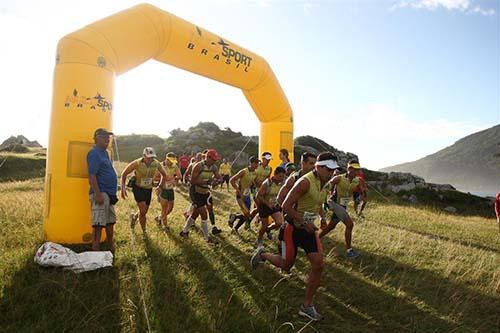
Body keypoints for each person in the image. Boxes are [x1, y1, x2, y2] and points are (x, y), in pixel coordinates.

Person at [250, 152, 338, 321]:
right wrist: (304, 222)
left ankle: (306, 306)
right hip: (292, 228)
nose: (331, 173)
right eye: (328, 169)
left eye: (333, 170)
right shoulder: (304, 182)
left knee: (318, 265)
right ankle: (262, 254)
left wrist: (322, 218)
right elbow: (285, 205)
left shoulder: (325, 183)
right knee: (286, 265)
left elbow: (317, 202)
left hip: (308, 231)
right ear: (318, 167)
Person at [319, 161, 361, 258]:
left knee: (331, 227)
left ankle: (314, 240)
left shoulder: (357, 180)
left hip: (343, 206)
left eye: (357, 170)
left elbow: (357, 191)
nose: (356, 171)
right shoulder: (339, 178)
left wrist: (358, 197)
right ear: (349, 169)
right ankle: (349, 251)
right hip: (334, 203)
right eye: (354, 169)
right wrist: (324, 201)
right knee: (350, 224)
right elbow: (325, 187)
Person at [120, 147, 167, 234]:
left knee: (144, 211)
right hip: (138, 187)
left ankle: (134, 217)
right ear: (144, 156)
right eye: (149, 157)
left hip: (148, 188)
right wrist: (123, 189)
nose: (151, 159)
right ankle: (144, 232)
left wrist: (160, 186)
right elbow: (124, 174)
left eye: (152, 157)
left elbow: (164, 175)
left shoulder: (156, 163)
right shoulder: (137, 163)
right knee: (143, 211)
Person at [179, 149, 221, 244]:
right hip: (195, 191)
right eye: (213, 159)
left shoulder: (214, 167)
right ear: (208, 158)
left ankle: (184, 232)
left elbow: (219, 177)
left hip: (205, 192)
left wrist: (217, 181)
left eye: (215, 160)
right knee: (204, 214)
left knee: (195, 214)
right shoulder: (198, 166)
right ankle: (208, 239)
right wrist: (207, 182)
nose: (214, 161)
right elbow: (193, 181)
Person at [87, 128, 118, 251]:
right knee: (98, 224)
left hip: (109, 194)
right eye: (104, 136)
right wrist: (98, 194)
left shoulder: (105, 153)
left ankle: (110, 246)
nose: (107, 139)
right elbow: (92, 175)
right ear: (96, 138)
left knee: (111, 221)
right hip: (101, 193)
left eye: (108, 137)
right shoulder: (94, 153)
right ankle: (95, 251)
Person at [255, 167, 286, 247]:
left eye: (283, 176)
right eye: (280, 176)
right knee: (264, 226)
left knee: (279, 223)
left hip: (274, 206)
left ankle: (268, 230)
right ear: (274, 175)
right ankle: (259, 238)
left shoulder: (283, 183)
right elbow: (258, 196)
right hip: (264, 206)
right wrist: (267, 203)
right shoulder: (267, 183)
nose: (281, 178)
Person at [228, 156, 259, 233]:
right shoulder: (244, 171)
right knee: (247, 214)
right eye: (255, 163)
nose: (257, 165)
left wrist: (255, 190)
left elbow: (253, 183)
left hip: (247, 196)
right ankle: (235, 223)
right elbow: (232, 180)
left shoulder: (255, 173)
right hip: (240, 196)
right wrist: (237, 190)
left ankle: (235, 222)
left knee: (246, 216)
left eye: (257, 163)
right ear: (250, 163)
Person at [154, 152, 181, 231]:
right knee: (164, 208)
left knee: (170, 208)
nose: (172, 163)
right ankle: (165, 226)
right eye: (171, 161)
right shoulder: (160, 166)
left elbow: (180, 176)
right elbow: (154, 178)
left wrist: (174, 178)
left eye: (173, 161)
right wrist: (164, 179)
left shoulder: (174, 166)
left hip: (170, 189)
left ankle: (159, 218)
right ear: (166, 159)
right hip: (162, 189)